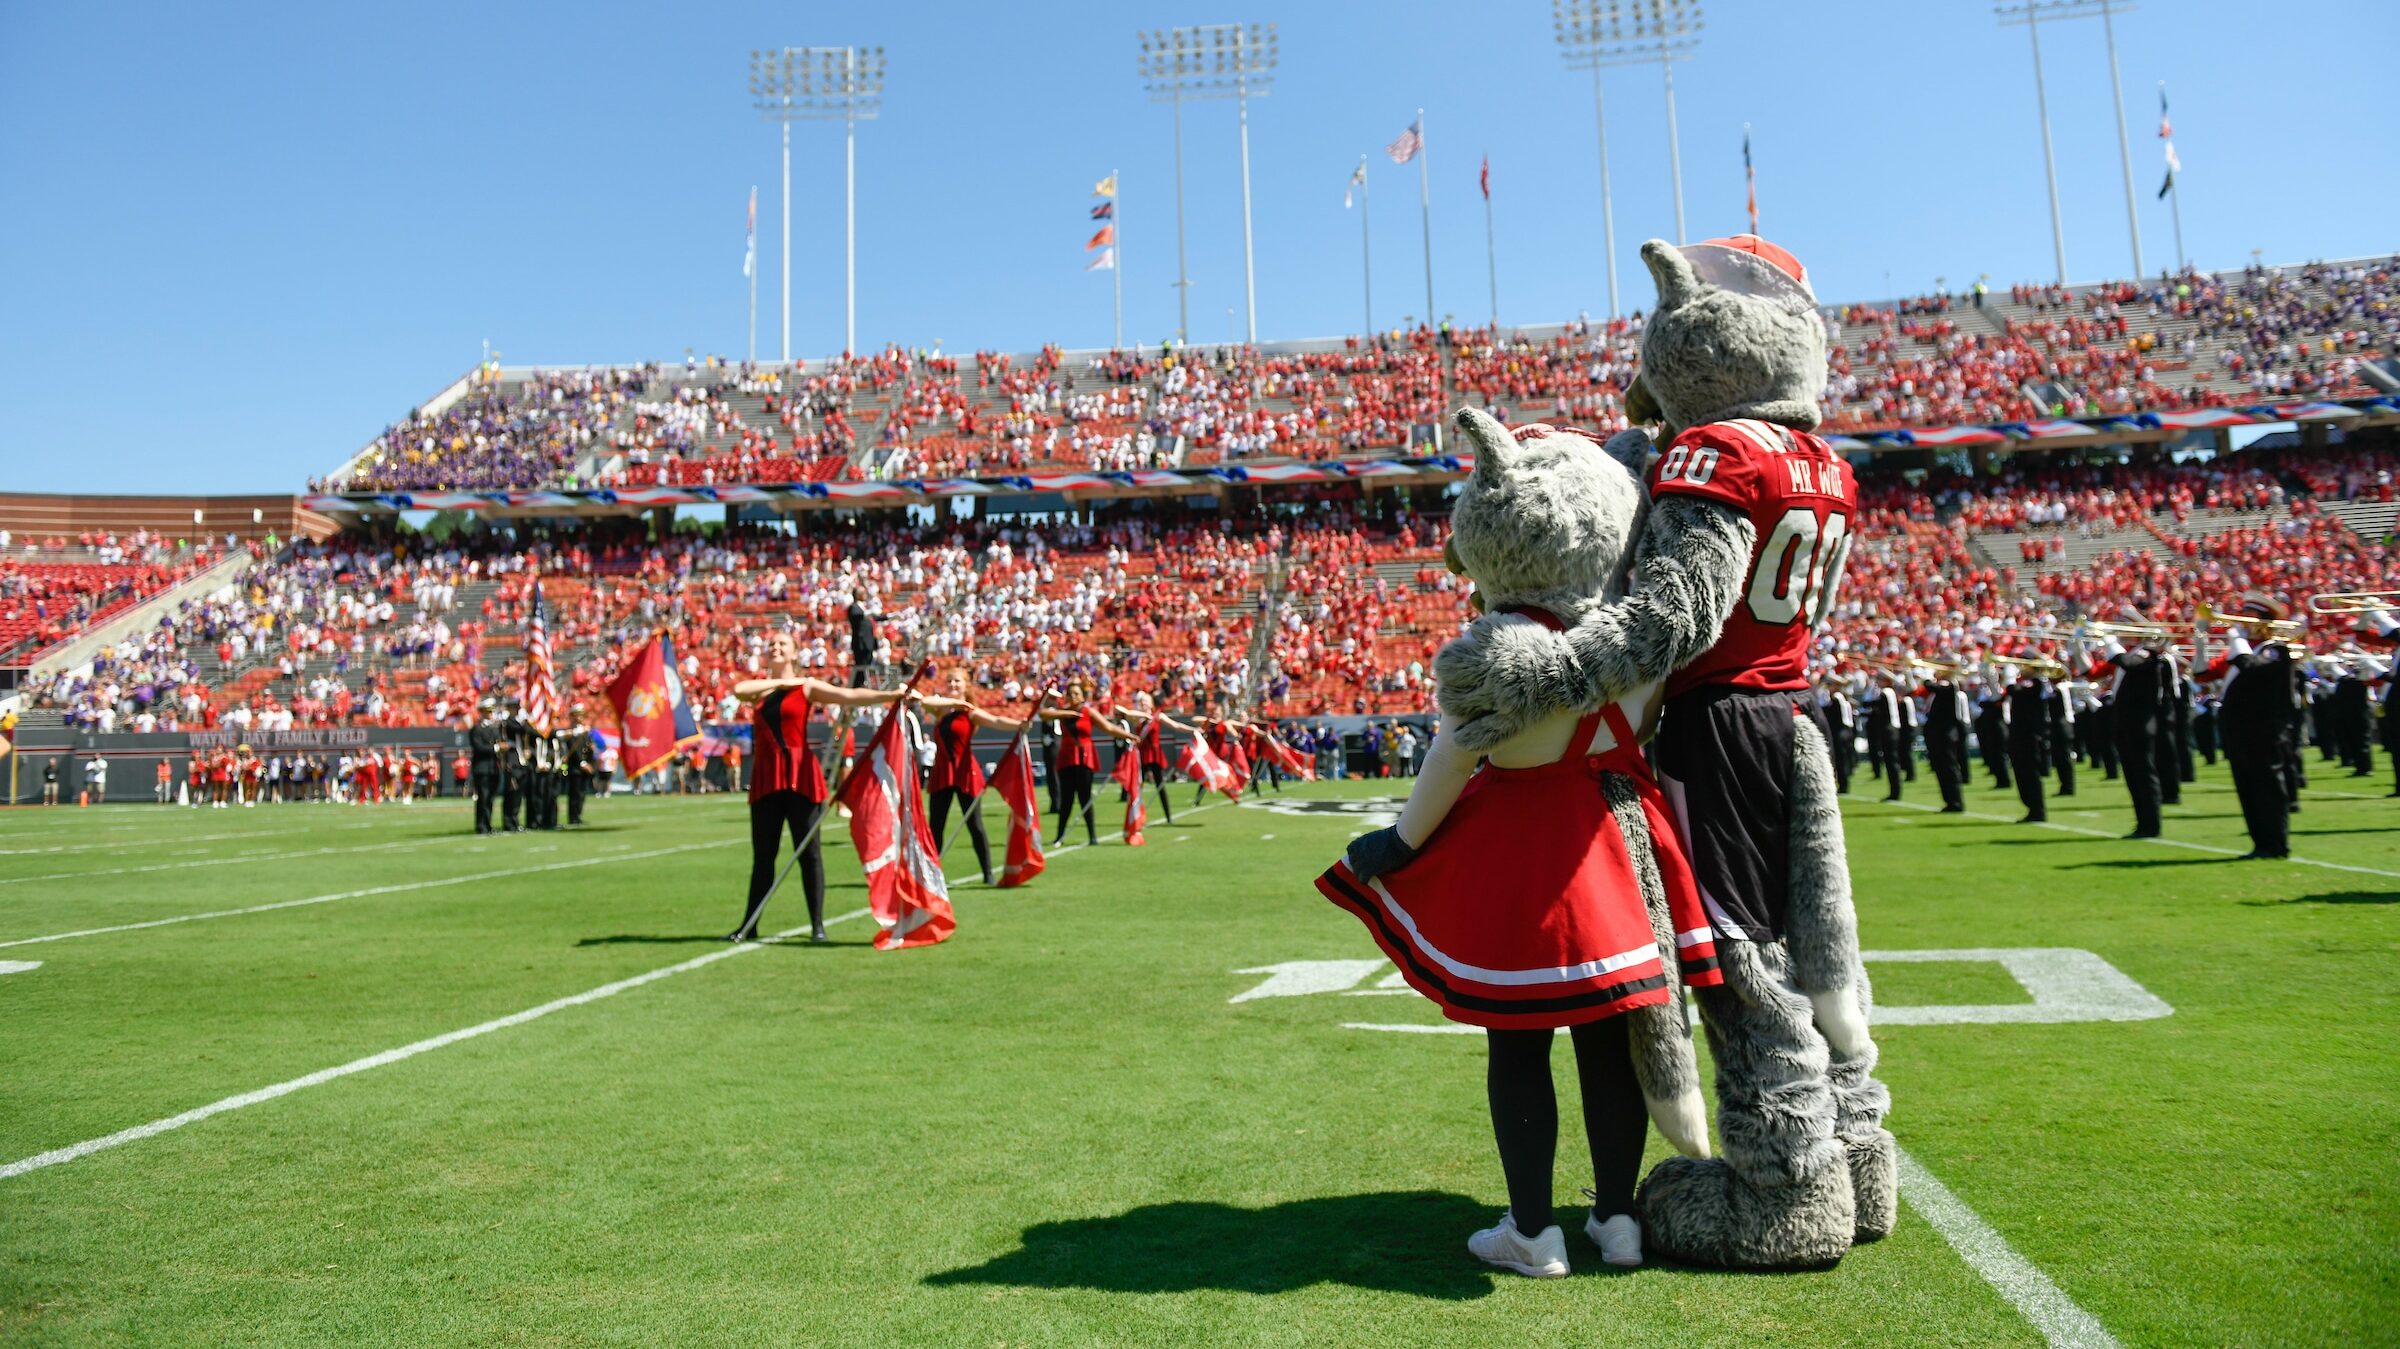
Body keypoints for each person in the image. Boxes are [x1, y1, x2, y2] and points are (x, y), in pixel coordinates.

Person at [725, 629, 916, 943]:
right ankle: (750, 924)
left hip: (800, 776)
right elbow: (740, 689)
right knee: (763, 856)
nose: (775, 646)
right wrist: (781, 682)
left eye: (782, 643)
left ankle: (817, 925)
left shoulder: (808, 687)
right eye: (771, 643)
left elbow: (850, 697)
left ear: (794, 653)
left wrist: (891, 696)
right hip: (767, 776)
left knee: (809, 854)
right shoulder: (761, 690)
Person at [915, 668, 1009, 885]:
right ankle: (930, 875)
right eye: (949, 681)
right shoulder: (941, 709)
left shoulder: (971, 712)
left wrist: (1020, 725)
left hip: (965, 771)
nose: (953, 685)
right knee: (936, 825)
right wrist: (952, 704)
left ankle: (988, 873)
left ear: (966, 685)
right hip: (942, 772)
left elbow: (995, 721)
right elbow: (923, 700)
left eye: (957, 681)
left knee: (975, 824)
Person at [2219, 634, 2301, 860]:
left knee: (2268, 788)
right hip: (2243, 732)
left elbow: (2251, 667)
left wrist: (2237, 639)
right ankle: (2261, 843)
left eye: (2251, 617)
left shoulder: (2275, 649)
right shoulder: (2251, 651)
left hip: (2264, 730)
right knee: (2248, 789)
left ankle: (2275, 844)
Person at [1041, 676, 1134, 847]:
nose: (1073, 697)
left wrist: (1130, 736)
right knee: (1066, 799)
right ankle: (1059, 836)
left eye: (1076, 694)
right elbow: (1043, 714)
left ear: (1083, 697)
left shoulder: (1088, 711)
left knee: (1085, 798)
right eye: (1070, 694)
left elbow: (1109, 727)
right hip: (1067, 758)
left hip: (1084, 757)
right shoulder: (1063, 712)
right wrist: (1067, 712)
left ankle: (1092, 836)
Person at [1919, 665, 1970, 813]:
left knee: (1949, 768)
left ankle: (1956, 802)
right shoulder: (1941, 688)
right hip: (1937, 734)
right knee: (1941, 768)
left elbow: (1931, 686)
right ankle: (1949, 801)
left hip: (1945, 734)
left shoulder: (1950, 686)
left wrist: (1927, 675)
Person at [2005, 667, 2050, 823]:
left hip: (2031, 736)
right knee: (2021, 773)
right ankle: (2032, 808)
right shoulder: (2028, 683)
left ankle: (2038, 811)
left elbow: (2014, 691)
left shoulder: (2036, 682)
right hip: (2020, 734)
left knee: (2031, 774)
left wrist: (2009, 677)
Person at [468, 698, 503, 834]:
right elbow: (479, 747)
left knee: (490, 798)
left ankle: (487, 824)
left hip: (493, 768)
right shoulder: (476, 729)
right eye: (488, 712)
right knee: (483, 797)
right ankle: (481, 825)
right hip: (482, 768)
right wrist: (496, 748)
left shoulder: (494, 729)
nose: (490, 714)